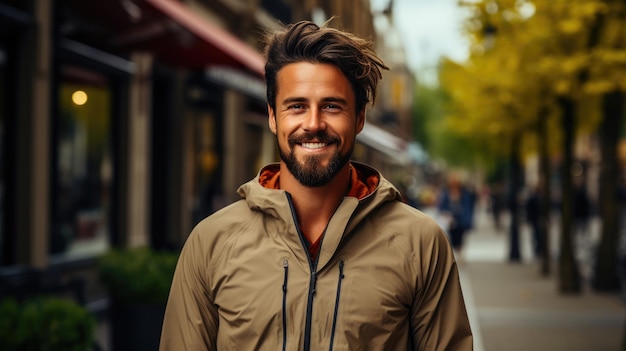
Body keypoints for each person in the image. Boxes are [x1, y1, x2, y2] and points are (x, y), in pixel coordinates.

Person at [159, 20, 472, 350]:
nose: (313, 124)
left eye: (332, 106)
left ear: (360, 118)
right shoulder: (211, 243)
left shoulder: (420, 244)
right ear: (272, 116)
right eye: (296, 106)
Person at [437, 174, 474, 262]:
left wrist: (468, 220)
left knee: (460, 238)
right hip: (450, 220)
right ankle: (454, 255)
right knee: (452, 238)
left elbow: (468, 207)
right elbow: (442, 206)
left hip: (461, 219)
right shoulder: (446, 193)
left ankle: (459, 255)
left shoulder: (464, 193)